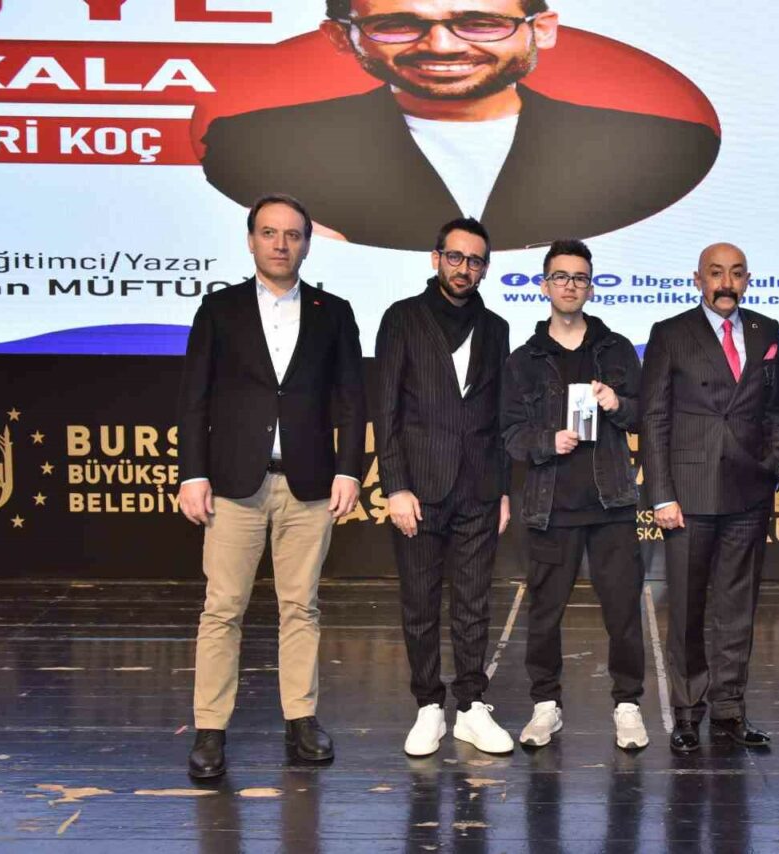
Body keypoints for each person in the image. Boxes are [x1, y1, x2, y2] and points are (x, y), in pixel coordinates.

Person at [200, 0, 720, 251]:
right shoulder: (254, 149)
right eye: (396, 25)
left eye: (480, 23)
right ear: (342, 38)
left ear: (542, 29)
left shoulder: (666, 150)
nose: (443, 46)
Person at [177, 193, 367, 779]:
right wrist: (193, 472)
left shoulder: (335, 313)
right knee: (222, 609)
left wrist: (349, 470)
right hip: (234, 485)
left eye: (292, 234)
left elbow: (351, 400)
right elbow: (194, 398)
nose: (281, 244)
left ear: (307, 244)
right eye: (269, 232)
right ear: (250, 240)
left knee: (301, 607)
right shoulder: (219, 309)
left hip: (309, 484)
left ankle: (301, 720)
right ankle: (210, 730)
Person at [500, 239, 649, 750]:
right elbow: (510, 435)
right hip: (551, 507)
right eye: (560, 276)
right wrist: (547, 441)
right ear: (545, 286)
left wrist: (617, 402)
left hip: (612, 504)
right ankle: (546, 705)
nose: (570, 285)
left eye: (579, 277)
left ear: (591, 286)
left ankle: (628, 704)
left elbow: (644, 415)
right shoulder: (524, 360)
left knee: (623, 612)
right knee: (544, 613)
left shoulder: (617, 349)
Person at [376, 216, 514, 757]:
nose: (464, 268)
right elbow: (385, 408)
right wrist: (395, 486)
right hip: (419, 488)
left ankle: (471, 707)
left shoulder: (496, 327)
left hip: (479, 487)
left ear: (485, 268)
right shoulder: (402, 318)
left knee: (474, 603)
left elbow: (500, 417)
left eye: (475, 260)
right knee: (420, 602)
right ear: (436, 259)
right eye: (455, 257)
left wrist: (503, 490)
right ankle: (429, 707)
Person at [640, 242, 779, 754]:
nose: (726, 283)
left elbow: (775, 408)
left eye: (736, 273)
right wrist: (661, 494)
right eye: (716, 273)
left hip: (748, 490)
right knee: (686, 609)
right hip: (689, 492)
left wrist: (773, 463)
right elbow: (653, 417)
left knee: (737, 608)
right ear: (697, 279)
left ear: (747, 279)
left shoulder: (767, 330)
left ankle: (729, 709)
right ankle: (686, 711)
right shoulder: (670, 333)